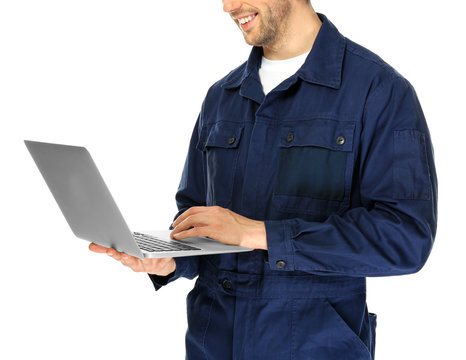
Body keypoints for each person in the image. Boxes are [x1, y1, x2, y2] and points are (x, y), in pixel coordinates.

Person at [90, 0, 438, 359]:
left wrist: (261, 234)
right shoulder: (221, 97)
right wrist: (173, 260)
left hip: (315, 345)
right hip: (213, 340)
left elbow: (405, 237)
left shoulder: (379, 91)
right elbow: (197, 213)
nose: (228, 6)